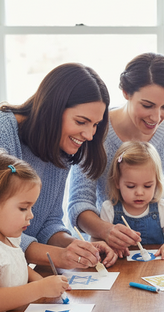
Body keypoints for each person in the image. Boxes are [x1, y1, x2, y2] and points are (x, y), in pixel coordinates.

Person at [68, 53, 164, 257]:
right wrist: (106, 231)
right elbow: (79, 204)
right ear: (125, 92)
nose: (156, 117)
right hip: (107, 251)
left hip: (155, 255)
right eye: (147, 105)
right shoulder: (95, 129)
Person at [0, 63, 117, 269]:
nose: (90, 135)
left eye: (95, 124)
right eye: (81, 121)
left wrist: (75, 246)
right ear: (52, 109)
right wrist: (57, 256)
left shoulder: (60, 146)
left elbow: (49, 223)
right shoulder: (4, 132)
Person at [0, 151, 70, 312]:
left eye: (31, 207)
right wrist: (39, 288)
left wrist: (43, 281)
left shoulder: (11, 239)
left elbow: (17, 267)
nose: (31, 215)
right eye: (23, 208)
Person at [100, 141, 164, 259]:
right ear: (117, 182)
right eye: (131, 186)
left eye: (147, 186)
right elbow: (97, 241)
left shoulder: (161, 208)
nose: (139, 193)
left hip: (156, 270)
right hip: (122, 270)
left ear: (156, 183)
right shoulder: (109, 209)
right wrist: (109, 247)